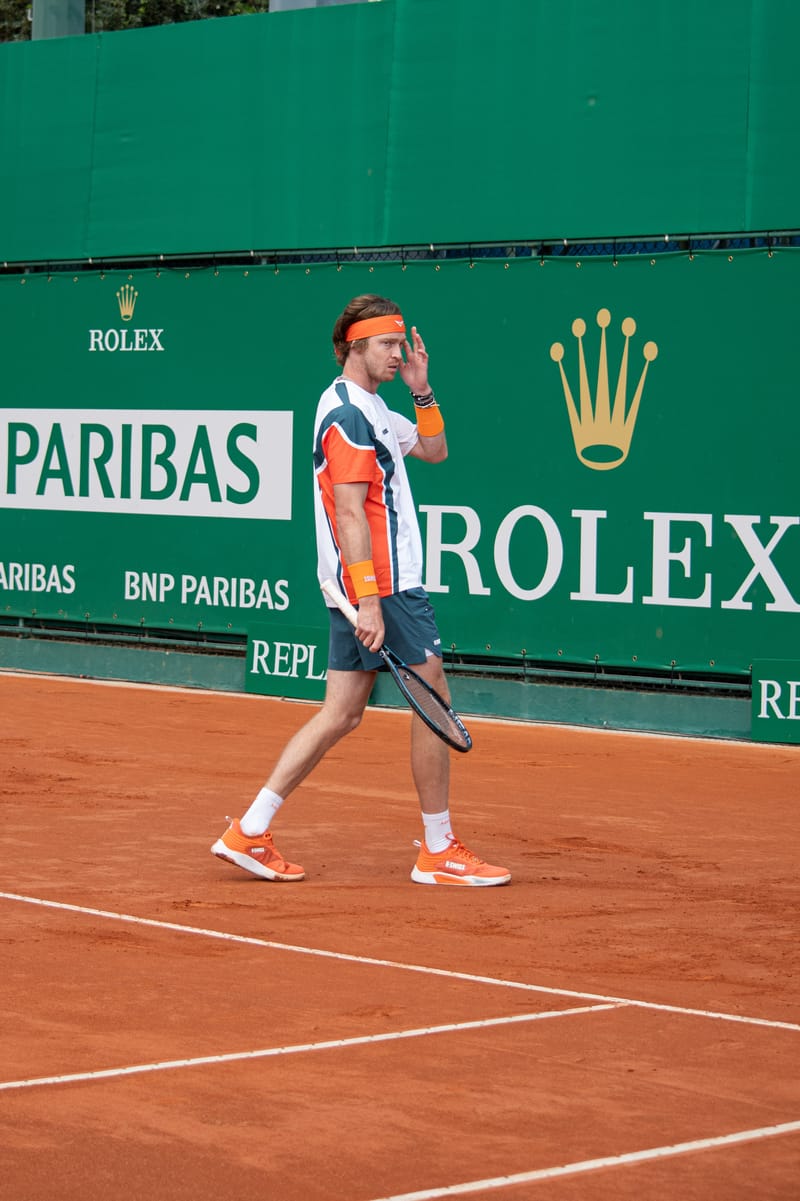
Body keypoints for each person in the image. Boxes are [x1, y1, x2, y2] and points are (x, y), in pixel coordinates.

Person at [211, 294, 510, 887]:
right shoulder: (347, 414)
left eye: (401, 345)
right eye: (387, 346)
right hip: (385, 583)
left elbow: (434, 449)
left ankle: (249, 829)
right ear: (355, 347)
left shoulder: (369, 407)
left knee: (342, 712)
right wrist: (370, 598)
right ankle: (438, 849)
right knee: (432, 699)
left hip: (362, 584)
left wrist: (422, 391)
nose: (398, 354)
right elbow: (349, 513)